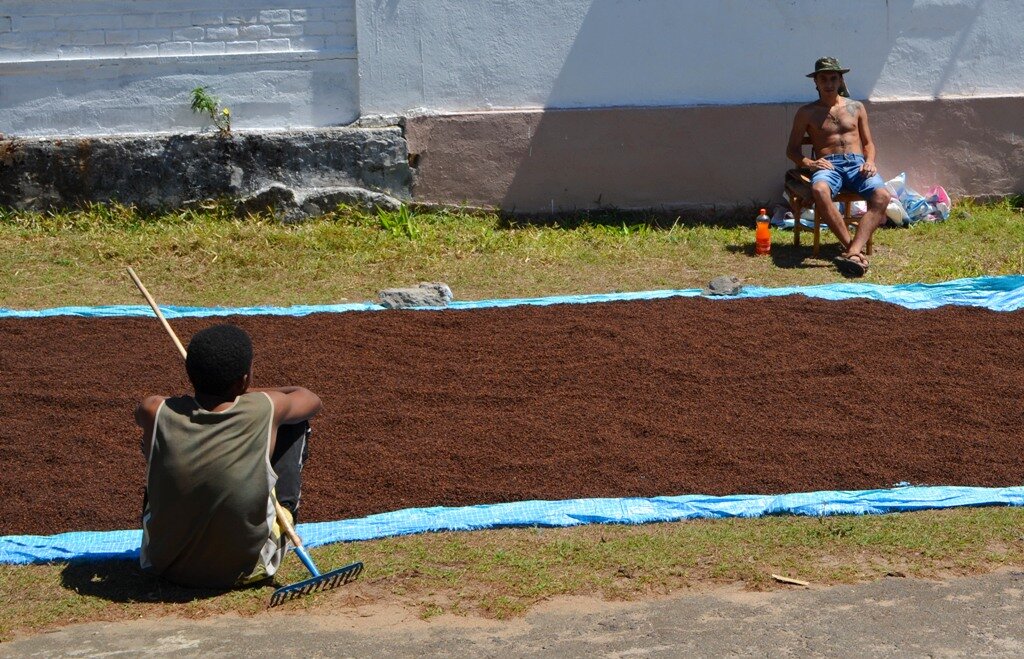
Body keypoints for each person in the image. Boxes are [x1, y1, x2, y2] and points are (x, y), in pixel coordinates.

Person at [134, 323, 322, 588]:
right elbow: (310, 399)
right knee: (294, 424)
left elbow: (142, 413)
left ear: (191, 374)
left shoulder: (155, 409)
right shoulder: (267, 407)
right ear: (244, 378)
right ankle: (286, 511)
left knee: (155, 445)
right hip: (246, 569)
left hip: (164, 566)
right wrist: (248, 392)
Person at [786, 56, 892, 277]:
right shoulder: (806, 112)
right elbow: (792, 150)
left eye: (833, 78)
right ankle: (851, 249)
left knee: (882, 196)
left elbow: (868, 144)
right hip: (828, 166)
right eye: (823, 78)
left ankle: (853, 251)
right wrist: (809, 163)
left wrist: (870, 161)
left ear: (840, 80)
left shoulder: (856, 107)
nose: (828, 83)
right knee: (819, 190)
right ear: (815, 82)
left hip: (857, 164)